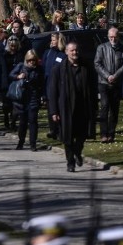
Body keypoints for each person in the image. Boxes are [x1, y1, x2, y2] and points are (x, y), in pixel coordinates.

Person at [48, 41, 95, 172]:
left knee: (82, 135)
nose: (75, 53)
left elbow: (93, 87)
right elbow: (53, 92)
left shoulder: (86, 67)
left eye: (76, 50)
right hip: (65, 109)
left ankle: (77, 152)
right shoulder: (58, 69)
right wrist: (54, 111)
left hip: (83, 107)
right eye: (72, 50)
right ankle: (70, 162)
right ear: (66, 52)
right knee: (67, 137)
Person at [94, 27, 123, 143]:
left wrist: (115, 76)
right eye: (111, 37)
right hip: (103, 82)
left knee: (114, 109)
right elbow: (97, 64)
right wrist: (107, 76)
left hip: (116, 83)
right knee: (104, 106)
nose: (113, 39)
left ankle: (111, 134)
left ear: (118, 36)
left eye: (115, 37)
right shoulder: (101, 48)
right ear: (108, 37)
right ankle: (103, 133)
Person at [9, 50, 45, 151]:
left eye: (33, 60)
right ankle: (21, 141)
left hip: (33, 97)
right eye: (29, 60)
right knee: (23, 122)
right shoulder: (21, 66)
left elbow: (42, 83)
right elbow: (11, 75)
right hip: (22, 98)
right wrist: (18, 76)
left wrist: (42, 96)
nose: (31, 62)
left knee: (33, 121)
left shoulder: (39, 69)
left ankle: (33, 144)